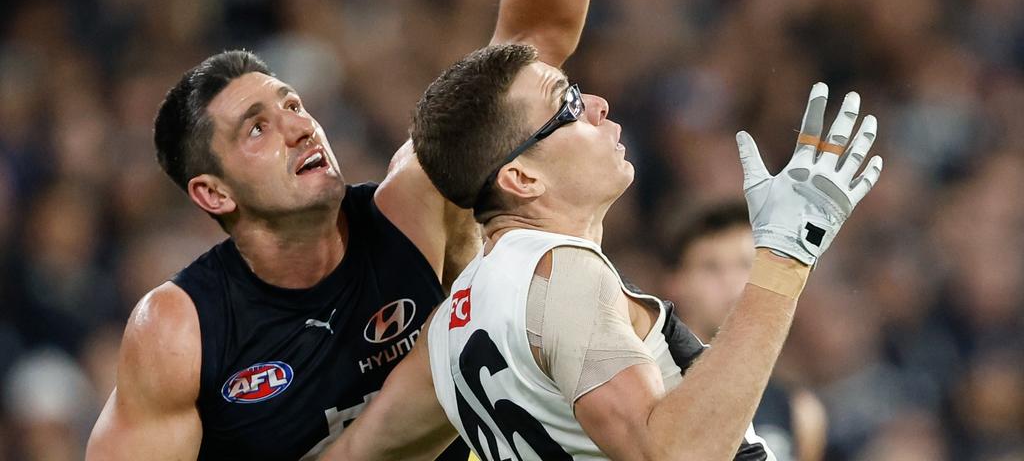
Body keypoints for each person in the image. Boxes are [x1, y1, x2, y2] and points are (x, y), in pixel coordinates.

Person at [85, 0, 598, 461]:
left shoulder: (414, 208)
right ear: (214, 193)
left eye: (293, 105)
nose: (299, 127)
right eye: (256, 129)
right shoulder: (181, 330)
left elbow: (529, 53)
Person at [323, 44, 884, 461]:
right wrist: (785, 255)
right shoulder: (561, 272)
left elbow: (352, 457)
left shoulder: (448, 328)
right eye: (566, 103)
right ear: (521, 177)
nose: (595, 103)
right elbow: (674, 455)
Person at [663, 202, 828, 461]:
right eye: (711, 267)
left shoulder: (799, 411)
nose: (731, 283)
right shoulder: (650, 389)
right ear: (676, 282)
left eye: (745, 265)